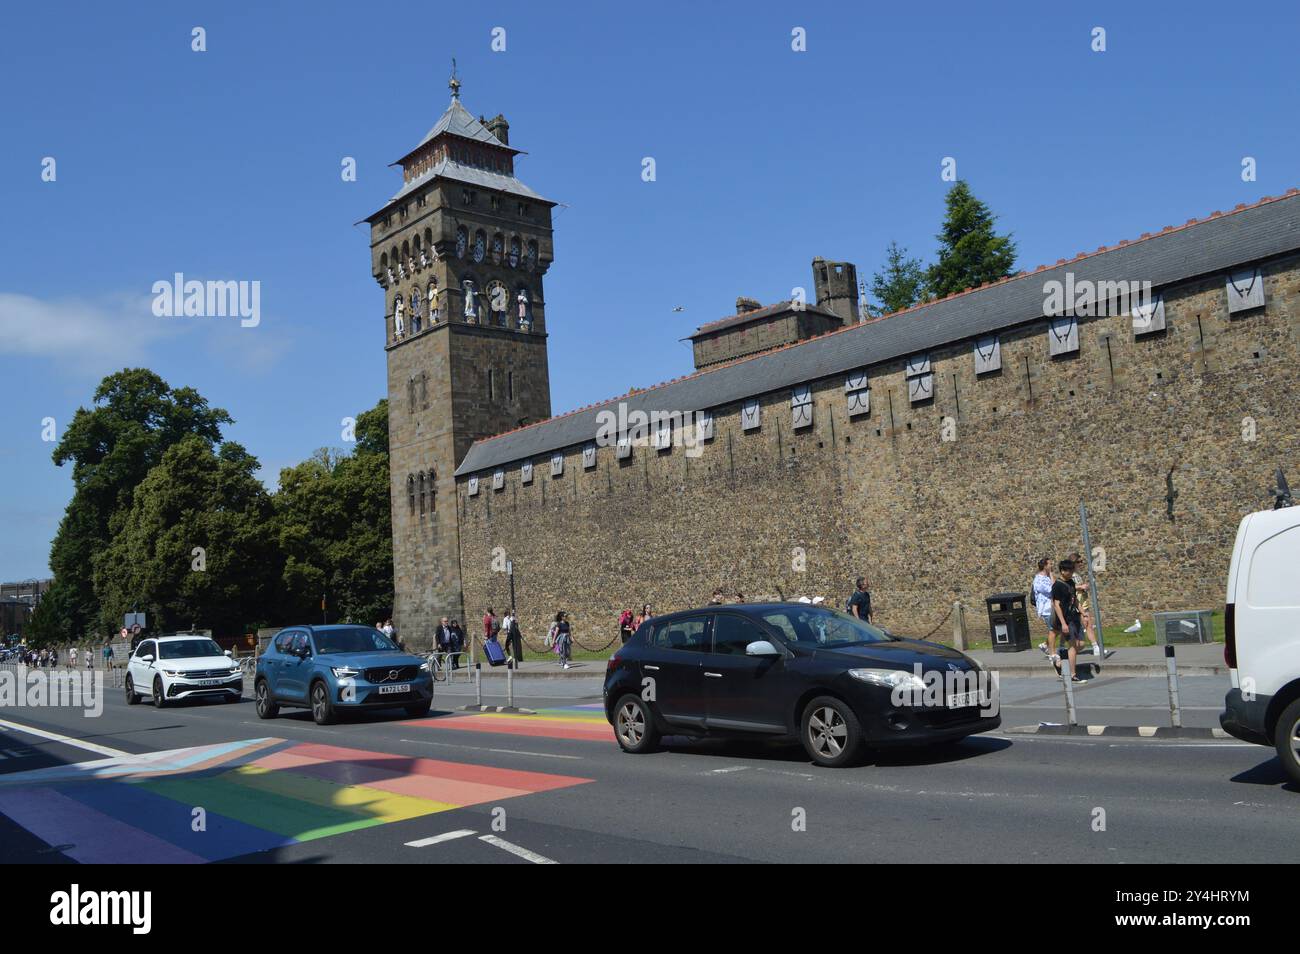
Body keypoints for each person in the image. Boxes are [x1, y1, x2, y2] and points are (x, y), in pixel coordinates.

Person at [1050, 558, 1085, 681]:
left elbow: (1074, 600)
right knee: (1072, 646)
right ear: (1062, 571)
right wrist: (1063, 623)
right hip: (1065, 619)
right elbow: (1057, 605)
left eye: (1071, 570)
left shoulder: (1071, 583)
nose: (1070, 572)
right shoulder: (1057, 586)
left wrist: (1083, 612)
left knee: (1081, 644)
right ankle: (1072, 675)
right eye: (1068, 570)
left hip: (1074, 617)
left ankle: (1060, 660)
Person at [1067, 551, 1104, 667]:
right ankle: (1095, 647)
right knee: (1088, 625)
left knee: (1088, 625)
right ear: (1073, 563)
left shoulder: (1076, 574)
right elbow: (1069, 587)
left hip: (1083, 602)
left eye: (1081, 561)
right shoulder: (1070, 574)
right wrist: (1081, 587)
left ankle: (1096, 646)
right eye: (1079, 561)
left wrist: (1084, 586)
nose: (1081, 563)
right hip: (1078, 605)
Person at [1032, 558, 1056, 653]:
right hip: (1046, 609)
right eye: (1050, 564)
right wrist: (1051, 574)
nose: (1052, 565)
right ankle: (1052, 652)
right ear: (1045, 566)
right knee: (1053, 630)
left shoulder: (1047, 577)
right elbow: (1053, 589)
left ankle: (1045, 645)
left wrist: (1050, 575)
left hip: (1053, 607)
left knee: (1056, 630)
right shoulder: (1038, 580)